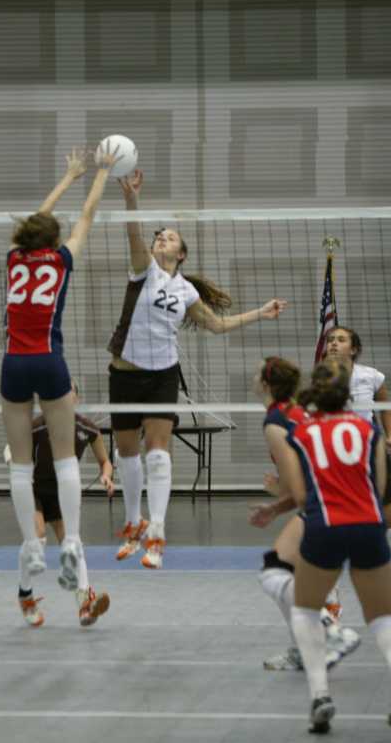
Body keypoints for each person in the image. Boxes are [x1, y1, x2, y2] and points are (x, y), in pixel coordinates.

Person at [111, 170, 288, 568]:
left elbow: (217, 325)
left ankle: (156, 532)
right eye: (161, 235)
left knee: (157, 454)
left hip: (162, 374)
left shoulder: (186, 290)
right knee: (127, 454)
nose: (162, 239)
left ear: (182, 253)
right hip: (123, 373)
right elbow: (133, 234)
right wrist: (132, 200)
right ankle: (132, 523)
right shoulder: (143, 270)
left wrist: (261, 312)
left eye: (170, 237)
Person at [1, 144, 120, 593]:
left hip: (13, 364)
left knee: (21, 467)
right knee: (66, 456)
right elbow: (86, 217)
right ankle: (70, 540)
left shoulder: (15, 259)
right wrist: (99, 173)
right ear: (53, 241)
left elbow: (31, 224)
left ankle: (32, 546)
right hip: (50, 363)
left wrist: (67, 176)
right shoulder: (62, 261)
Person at [274, 360, 391, 733]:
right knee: (383, 615)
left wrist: (278, 496)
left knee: (305, 611)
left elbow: (303, 496)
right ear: (347, 395)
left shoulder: (302, 433)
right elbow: (381, 488)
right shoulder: (368, 429)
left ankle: (320, 696)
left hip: (326, 527)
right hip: (369, 525)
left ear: (314, 393)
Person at [249, 357, 360, 672]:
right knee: (287, 572)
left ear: (267, 385)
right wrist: (278, 501)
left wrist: (276, 499)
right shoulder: (297, 412)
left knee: (276, 572)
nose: (253, 377)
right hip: (339, 497)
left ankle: (329, 630)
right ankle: (308, 644)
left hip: (321, 503)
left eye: (258, 373)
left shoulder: (275, 423)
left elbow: (297, 489)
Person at [5, 381, 115, 627]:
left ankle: (85, 601)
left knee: (72, 541)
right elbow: (14, 452)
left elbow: (105, 461)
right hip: (35, 489)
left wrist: (107, 476)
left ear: (76, 398)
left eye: (68, 394)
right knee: (39, 536)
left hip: (63, 492)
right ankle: (26, 596)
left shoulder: (88, 429)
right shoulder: (36, 426)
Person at [325, 326, 391, 619]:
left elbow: (386, 406)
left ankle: (390, 589)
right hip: (337, 456)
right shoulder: (319, 378)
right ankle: (331, 598)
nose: (334, 343)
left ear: (354, 349)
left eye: (341, 339)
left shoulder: (371, 376)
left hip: (372, 453)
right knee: (334, 528)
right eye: (331, 340)